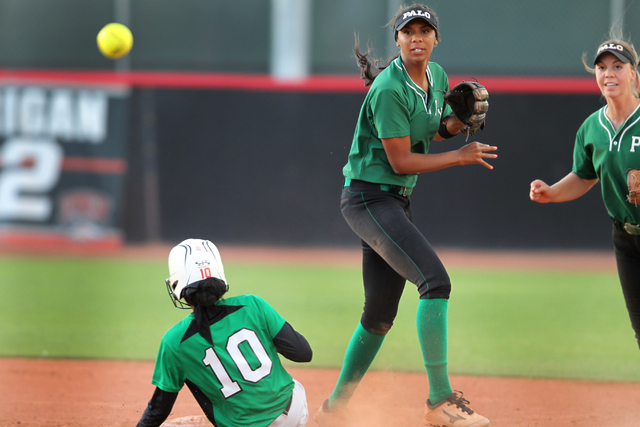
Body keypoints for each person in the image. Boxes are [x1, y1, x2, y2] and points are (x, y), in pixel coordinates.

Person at [314, 4, 496, 427]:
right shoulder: (389, 89)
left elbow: (429, 129)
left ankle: (333, 410)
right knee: (435, 282)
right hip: (368, 199)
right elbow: (400, 161)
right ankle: (439, 402)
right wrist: (459, 156)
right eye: (408, 31)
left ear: (436, 39)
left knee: (378, 317)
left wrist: (453, 125)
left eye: (424, 30)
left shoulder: (438, 77)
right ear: (397, 40)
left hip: (392, 202)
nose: (416, 37)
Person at [530, 32, 640, 351]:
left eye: (618, 66)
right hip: (626, 239)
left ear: (633, 73)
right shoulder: (592, 128)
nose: (609, 74)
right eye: (602, 68)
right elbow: (584, 176)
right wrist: (551, 192)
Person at [136, 238, 313, 427]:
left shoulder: (174, 341)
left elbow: (158, 409)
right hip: (294, 414)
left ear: (179, 286)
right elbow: (303, 353)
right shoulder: (253, 304)